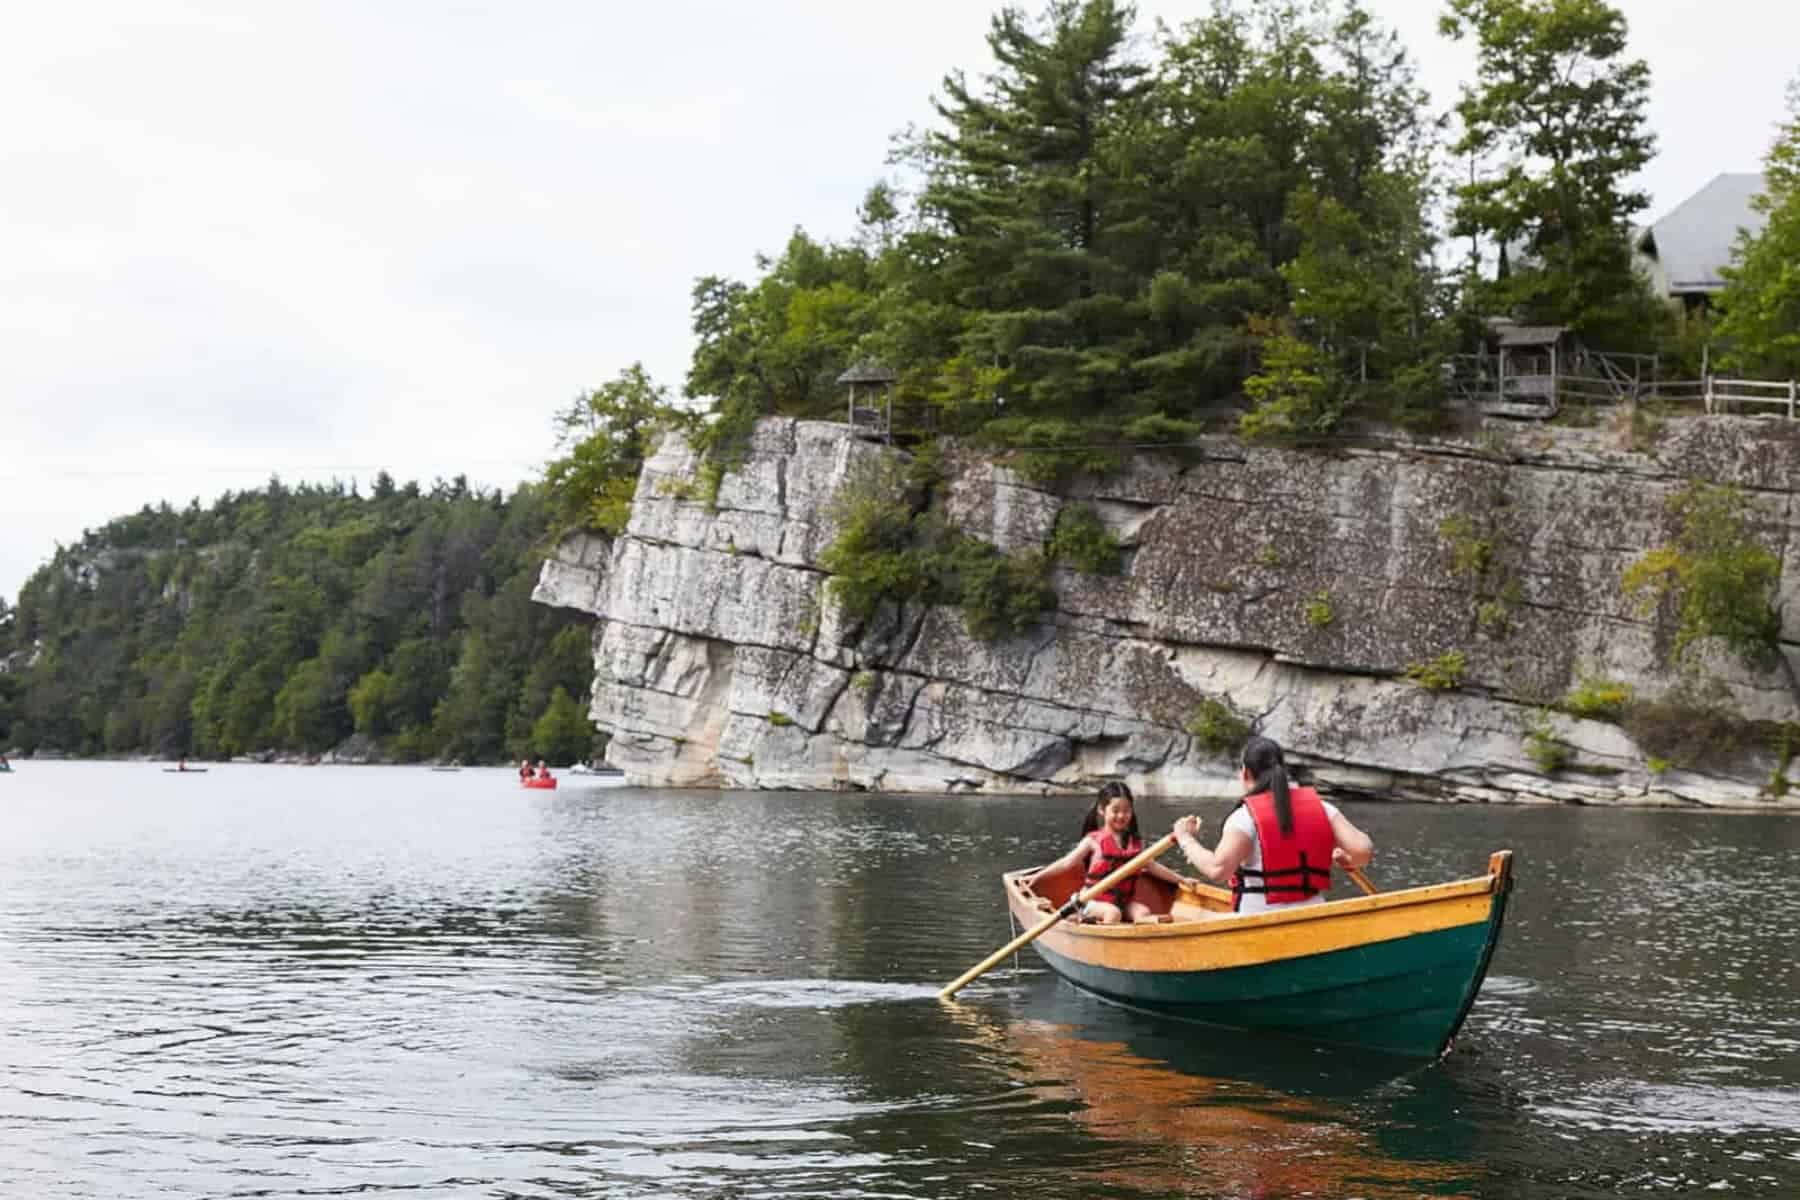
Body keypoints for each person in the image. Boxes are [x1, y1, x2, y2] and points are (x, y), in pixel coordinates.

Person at [1172, 735, 1373, 913]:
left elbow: (1218, 870)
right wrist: (1349, 859)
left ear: (1245, 773)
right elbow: (1362, 850)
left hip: (1260, 921)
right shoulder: (1323, 808)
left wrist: (1185, 838)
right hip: (1313, 917)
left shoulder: (1244, 818)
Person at [1029, 781, 1195, 925]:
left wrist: (1182, 879)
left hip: (1122, 902)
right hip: (1090, 902)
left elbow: (1152, 866)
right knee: (1113, 913)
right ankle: (1083, 922)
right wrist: (1038, 877)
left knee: (1142, 912)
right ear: (1102, 810)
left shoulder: (1134, 843)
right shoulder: (1092, 840)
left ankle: (1140, 942)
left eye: (1126, 810)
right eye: (1115, 810)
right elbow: (1066, 863)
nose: (1121, 816)